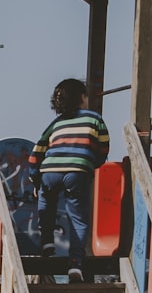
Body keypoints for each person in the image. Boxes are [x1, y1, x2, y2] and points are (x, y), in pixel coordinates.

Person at [28, 77, 110, 282]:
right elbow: (103, 148)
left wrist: (35, 179)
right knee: (78, 218)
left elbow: (36, 153)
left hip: (50, 172)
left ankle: (47, 243)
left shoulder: (56, 123)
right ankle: (75, 265)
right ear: (82, 97)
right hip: (77, 172)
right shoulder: (94, 119)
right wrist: (91, 165)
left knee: (46, 205)